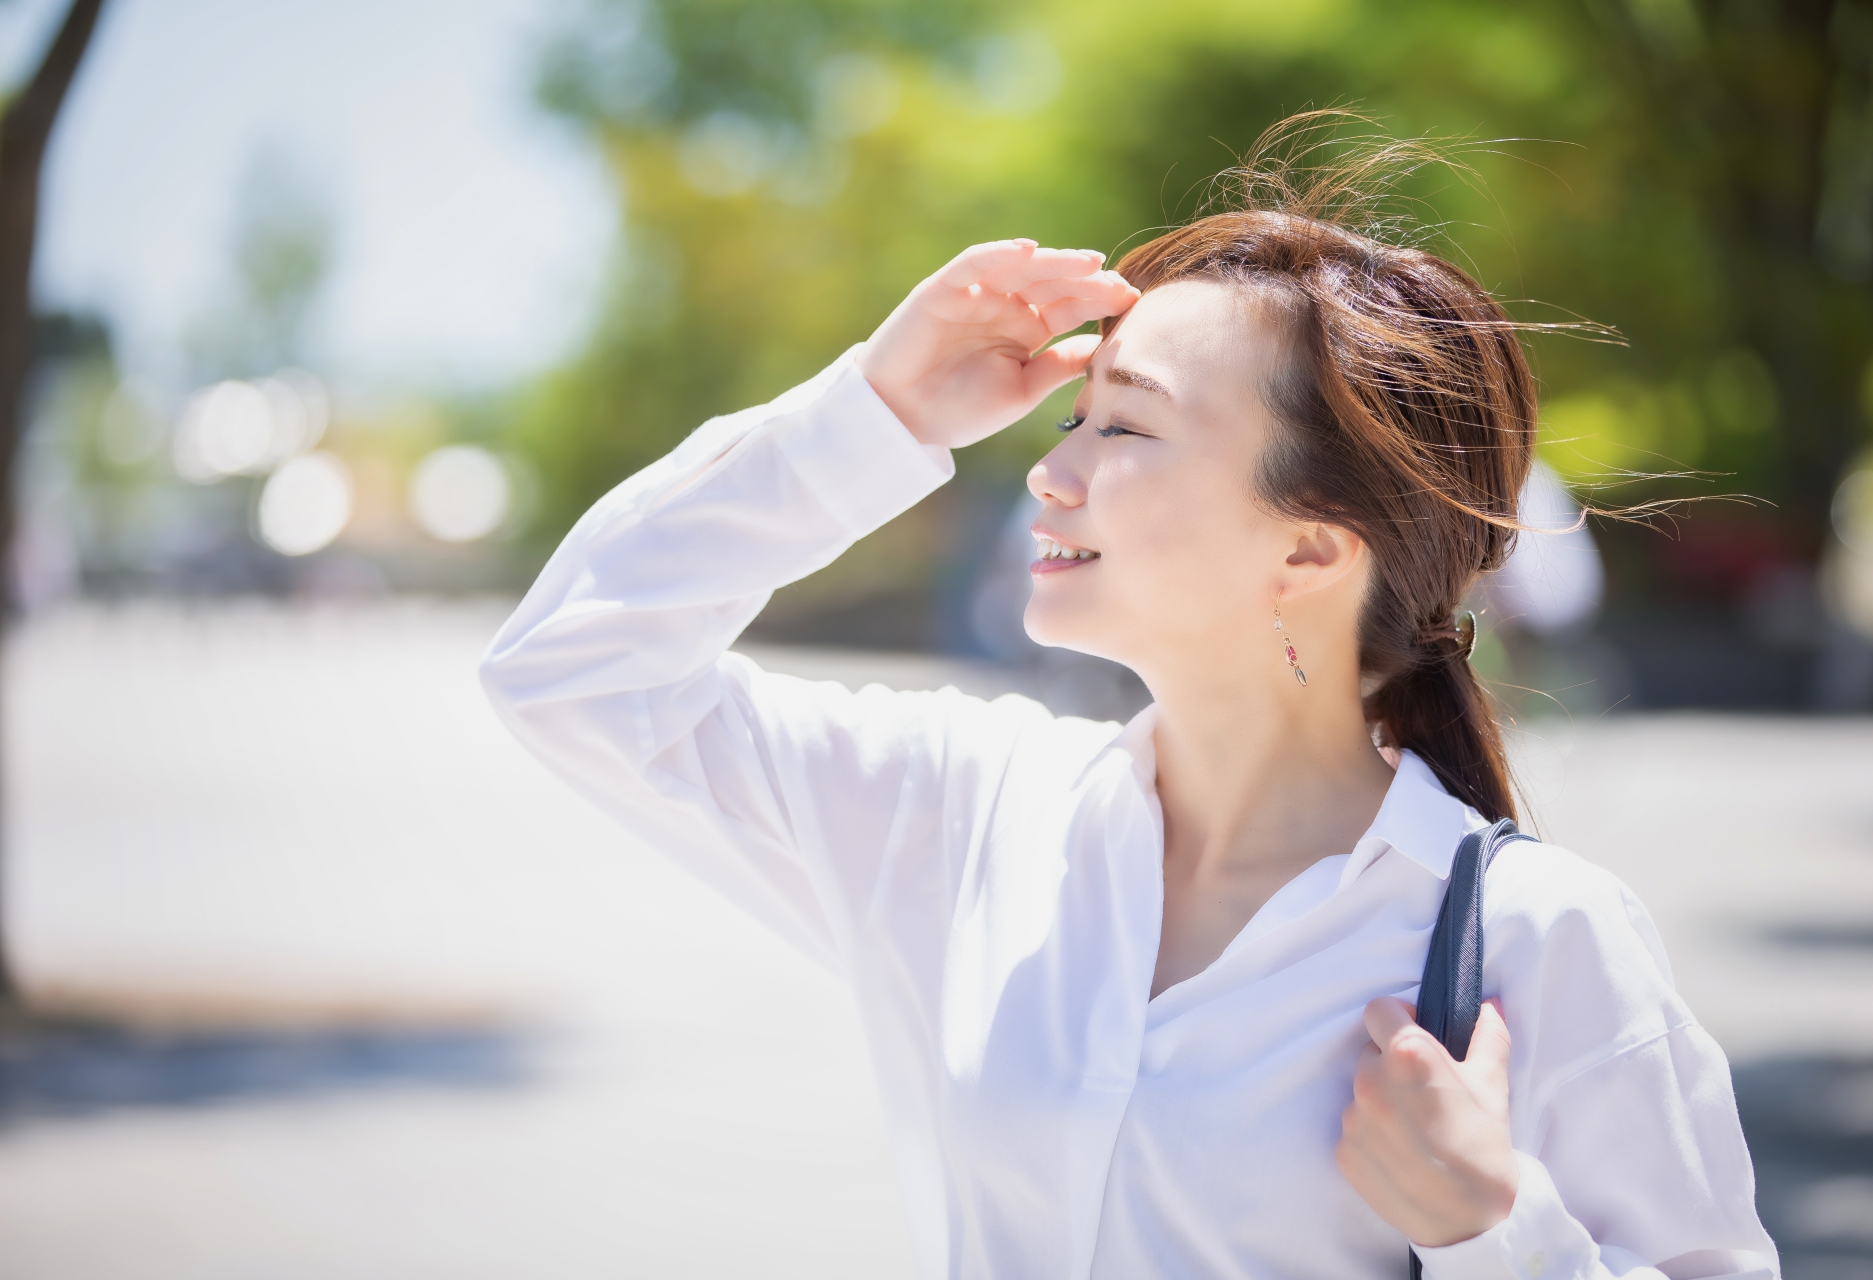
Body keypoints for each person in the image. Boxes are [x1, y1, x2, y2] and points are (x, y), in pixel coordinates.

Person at [479, 121, 1778, 1279]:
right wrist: (873, 412)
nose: (1051, 477)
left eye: (1126, 429)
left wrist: (1496, 1235)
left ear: (1312, 553)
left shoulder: (1534, 940)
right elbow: (574, 672)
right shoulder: (970, 813)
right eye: (1069, 422)